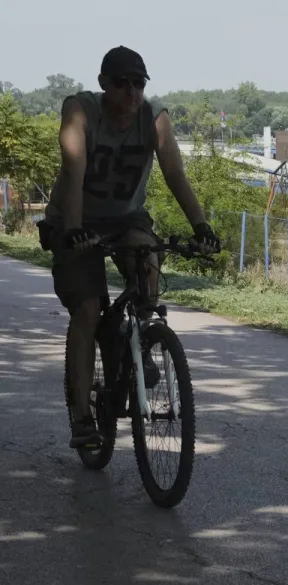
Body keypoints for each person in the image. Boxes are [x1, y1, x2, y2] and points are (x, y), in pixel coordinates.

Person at [39, 46, 221, 449]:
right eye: (122, 83)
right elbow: (73, 170)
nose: (131, 92)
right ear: (104, 83)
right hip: (74, 220)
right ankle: (84, 419)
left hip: (126, 219)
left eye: (139, 83)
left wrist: (200, 225)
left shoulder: (153, 119)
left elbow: (174, 171)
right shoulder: (81, 111)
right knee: (87, 309)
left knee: (147, 264)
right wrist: (71, 230)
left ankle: (139, 344)